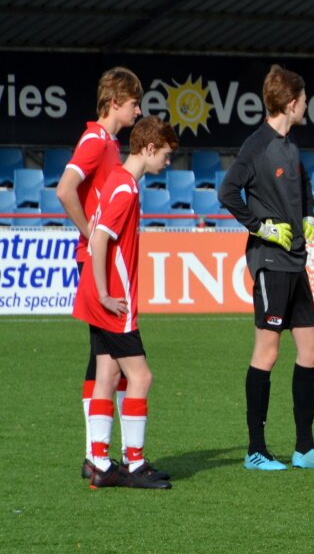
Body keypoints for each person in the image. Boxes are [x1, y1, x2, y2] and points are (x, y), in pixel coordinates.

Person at [219, 64, 314, 472]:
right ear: (291, 103)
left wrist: (308, 215)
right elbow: (227, 191)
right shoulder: (256, 146)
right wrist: (261, 227)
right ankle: (256, 449)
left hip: (295, 261)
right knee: (268, 351)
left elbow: (304, 186)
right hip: (270, 262)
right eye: (304, 99)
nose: (307, 104)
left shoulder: (290, 146)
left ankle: (305, 448)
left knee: (312, 349)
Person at [71, 116, 178, 489]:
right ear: (149, 148)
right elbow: (99, 239)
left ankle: (99, 461)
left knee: (107, 374)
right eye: (165, 155)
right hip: (113, 299)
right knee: (141, 376)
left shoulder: (117, 180)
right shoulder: (126, 188)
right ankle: (134, 463)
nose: (167, 162)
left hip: (99, 295)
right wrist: (104, 294)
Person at [58, 67, 154, 482]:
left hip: (97, 258)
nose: (138, 110)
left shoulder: (109, 143)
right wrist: (90, 233)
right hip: (97, 262)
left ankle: (95, 457)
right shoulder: (96, 140)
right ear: (115, 102)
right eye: (134, 103)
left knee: (103, 364)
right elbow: (65, 188)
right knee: (116, 367)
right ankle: (102, 457)